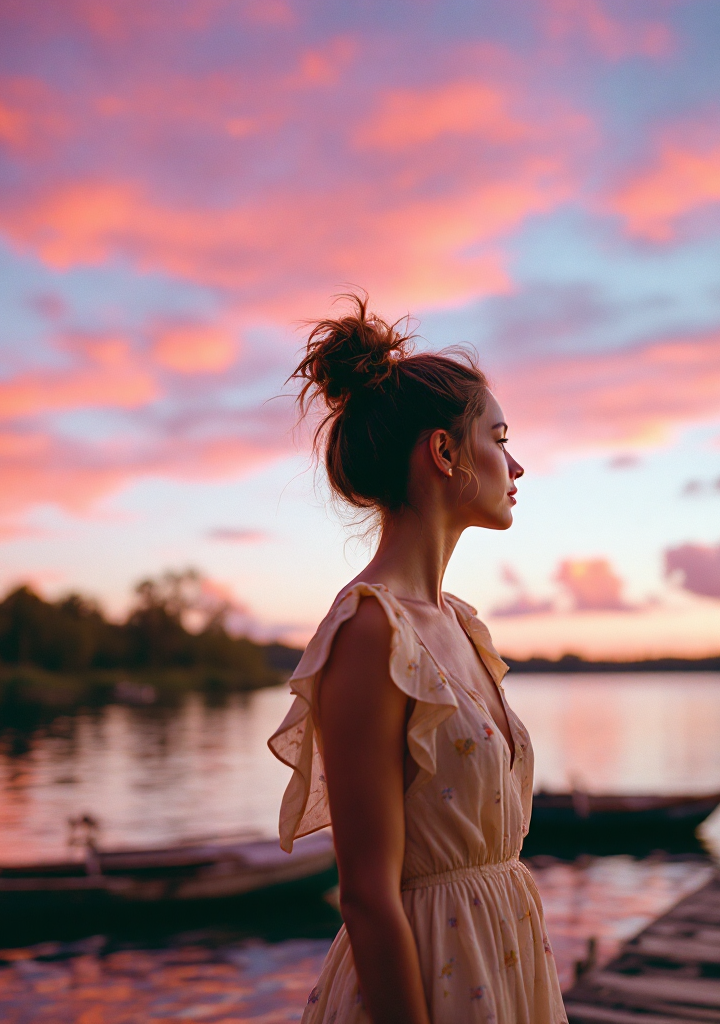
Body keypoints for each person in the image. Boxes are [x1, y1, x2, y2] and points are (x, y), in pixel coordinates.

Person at [269, 294, 567, 1024]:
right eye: (498, 436)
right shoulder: (372, 632)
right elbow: (368, 896)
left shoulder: (460, 626)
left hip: (501, 958)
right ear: (443, 452)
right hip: (426, 981)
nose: (517, 463)